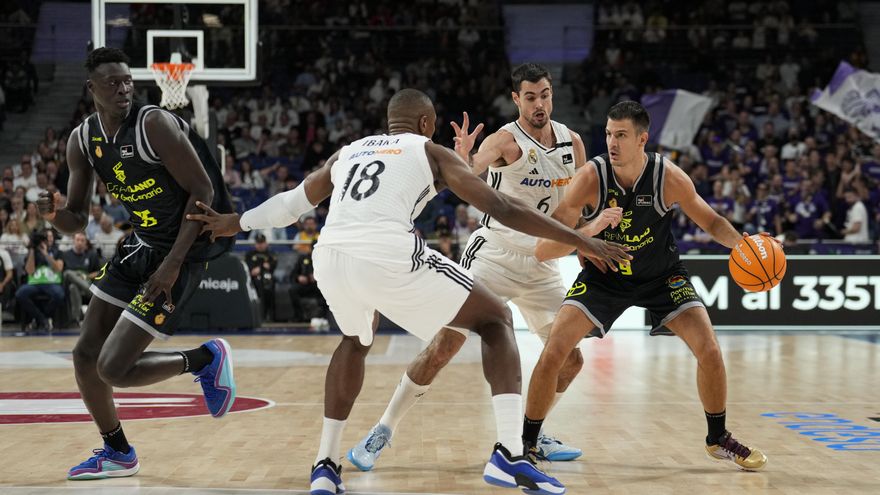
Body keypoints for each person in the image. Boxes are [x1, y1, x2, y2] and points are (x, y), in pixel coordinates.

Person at [190, 88, 630, 495]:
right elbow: (500, 205)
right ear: (425, 123)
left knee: (356, 341)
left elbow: (290, 204)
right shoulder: (428, 149)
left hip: (332, 256)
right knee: (496, 320)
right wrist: (582, 240)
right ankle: (508, 455)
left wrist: (236, 222)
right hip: (390, 252)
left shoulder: (351, 151)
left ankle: (325, 464)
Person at [348, 63, 618, 470]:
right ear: (516, 99)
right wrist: (462, 159)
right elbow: (470, 171)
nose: (539, 103)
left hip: (543, 261)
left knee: (572, 359)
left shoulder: (573, 142)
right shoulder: (505, 140)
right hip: (494, 254)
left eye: (544, 94)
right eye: (530, 97)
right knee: (445, 345)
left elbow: (573, 210)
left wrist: (586, 235)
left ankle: (533, 434)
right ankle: (382, 430)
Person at [522, 101, 768, 477]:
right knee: (556, 348)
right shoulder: (590, 178)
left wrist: (743, 246)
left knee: (710, 349)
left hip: (661, 277)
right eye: (608, 134)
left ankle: (717, 438)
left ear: (642, 139)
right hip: (606, 277)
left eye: (620, 135)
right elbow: (544, 248)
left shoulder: (668, 176)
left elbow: (712, 221)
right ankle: (526, 444)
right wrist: (591, 232)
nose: (612, 142)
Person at [36, 47, 237, 480]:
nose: (124, 88)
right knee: (84, 354)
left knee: (114, 368)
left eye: (127, 80)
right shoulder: (83, 139)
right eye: (112, 83)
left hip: (185, 248)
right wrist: (54, 215)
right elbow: (78, 217)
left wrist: (172, 265)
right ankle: (118, 452)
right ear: (92, 89)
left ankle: (203, 359)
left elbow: (202, 191)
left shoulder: (153, 124)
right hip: (141, 244)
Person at [15, 228, 64, 332]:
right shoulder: (33, 252)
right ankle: (43, 319)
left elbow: (58, 268)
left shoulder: (58, 252)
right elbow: (29, 271)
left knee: (59, 294)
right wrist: (32, 250)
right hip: (35, 283)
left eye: (50, 236)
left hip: (52, 283)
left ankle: (39, 319)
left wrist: (45, 253)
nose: (48, 239)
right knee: (20, 294)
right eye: (46, 236)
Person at [61, 231, 102, 323]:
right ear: (73, 241)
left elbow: (98, 272)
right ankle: (90, 292)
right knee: (68, 274)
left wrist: (86, 276)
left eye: (82, 240)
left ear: (86, 242)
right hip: (70, 282)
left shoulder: (92, 254)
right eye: (77, 240)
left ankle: (77, 319)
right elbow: (63, 273)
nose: (79, 242)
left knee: (73, 287)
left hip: (86, 280)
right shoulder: (66, 254)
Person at [288, 239, 327, 327]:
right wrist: (299, 278)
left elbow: (330, 276)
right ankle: (299, 316)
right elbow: (293, 274)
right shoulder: (303, 258)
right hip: (305, 285)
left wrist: (318, 278)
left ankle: (323, 316)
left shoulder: (324, 260)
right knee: (292, 290)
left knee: (327, 291)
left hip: (318, 286)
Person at [244, 233, 277, 321]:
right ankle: (261, 316)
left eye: (262, 243)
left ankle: (271, 316)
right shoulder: (250, 254)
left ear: (266, 243)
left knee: (270, 286)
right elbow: (252, 271)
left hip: (268, 278)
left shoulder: (271, 254)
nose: (260, 245)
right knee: (260, 285)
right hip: (253, 279)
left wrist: (260, 268)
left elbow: (272, 266)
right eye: (258, 243)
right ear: (255, 243)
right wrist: (263, 266)